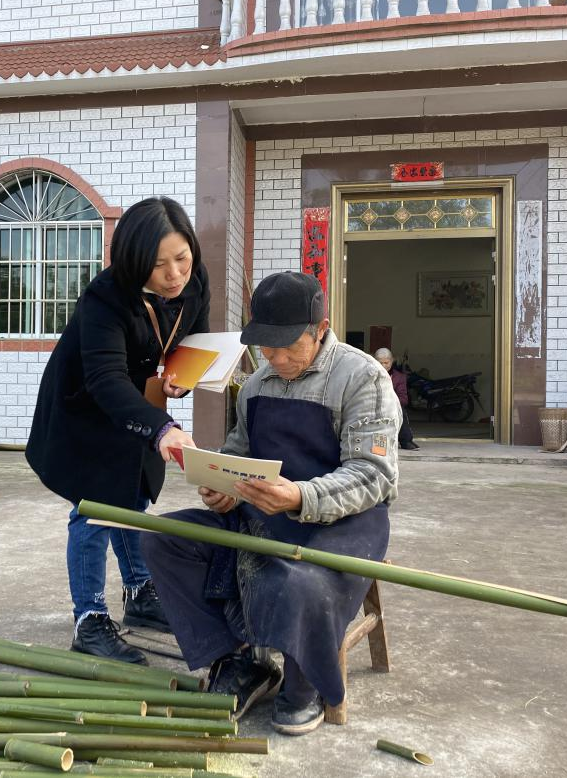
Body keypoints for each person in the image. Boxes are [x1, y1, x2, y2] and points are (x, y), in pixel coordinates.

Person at [142, 272, 399, 736]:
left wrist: (300, 496)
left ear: (320, 330)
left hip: (344, 523)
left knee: (300, 579)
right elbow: (238, 454)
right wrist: (222, 486)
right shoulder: (257, 385)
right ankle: (238, 660)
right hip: (264, 513)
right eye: (266, 348)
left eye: (288, 347)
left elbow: (373, 474)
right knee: (165, 541)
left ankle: (303, 684)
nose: (276, 359)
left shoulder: (363, 378)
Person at [26, 197, 209, 665]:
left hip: (141, 401)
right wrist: (162, 429)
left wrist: (182, 378)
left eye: (182, 258)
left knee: (136, 494)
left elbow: (194, 342)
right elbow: (105, 378)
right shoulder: (105, 297)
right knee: (95, 508)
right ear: (132, 261)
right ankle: (89, 620)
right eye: (159, 265)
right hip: (87, 404)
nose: (175, 274)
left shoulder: (195, 281)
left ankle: (140, 593)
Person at [374, 347, 419, 450]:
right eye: (380, 363)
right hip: (373, 405)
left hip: (391, 406)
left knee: (400, 411)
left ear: (392, 361)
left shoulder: (399, 377)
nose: (383, 366)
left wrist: (389, 401)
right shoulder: (369, 375)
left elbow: (404, 399)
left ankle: (406, 441)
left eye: (386, 363)